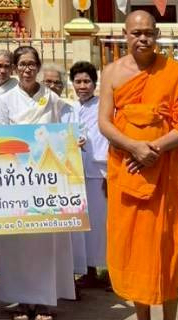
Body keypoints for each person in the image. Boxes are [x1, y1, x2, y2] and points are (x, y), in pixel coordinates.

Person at [99, 9, 178, 320]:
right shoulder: (112, 73)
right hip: (126, 171)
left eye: (149, 33)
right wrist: (132, 148)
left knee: (169, 244)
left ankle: (169, 318)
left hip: (166, 172)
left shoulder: (176, 72)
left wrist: (150, 149)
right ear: (125, 35)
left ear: (157, 35)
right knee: (135, 248)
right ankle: (143, 317)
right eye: (136, 33)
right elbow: (104, 122)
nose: (143, 38)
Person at [0, 45, 75, 320]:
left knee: (44, 243)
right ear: (15, 68)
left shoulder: (51, 98)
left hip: (45, 182)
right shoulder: (5, 101)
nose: (27, 69)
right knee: (16, 243)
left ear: (38, 67)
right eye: (22, 64)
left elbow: (66, 130)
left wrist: (75, 140)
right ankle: (20, 299)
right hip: (16, 179)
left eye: (31, 64)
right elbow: (0, 139)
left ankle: (42, 301)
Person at [68, 62, 108, 289]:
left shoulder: (104, 107)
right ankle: (88, 271)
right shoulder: (69, 109)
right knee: (84, 227)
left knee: (102, 226)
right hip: (76, 174)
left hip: (99, 173)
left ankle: (111, 273)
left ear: (95, 83)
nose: (82, 86)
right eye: (78, 81)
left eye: (87, 81)